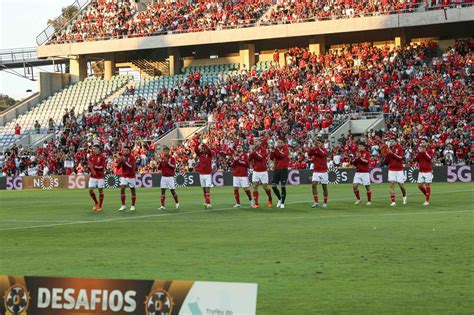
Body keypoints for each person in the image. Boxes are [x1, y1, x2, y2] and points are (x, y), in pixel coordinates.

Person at [249, 138, 272, 208]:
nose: (255, 143)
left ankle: (270, 198)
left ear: (260, 142)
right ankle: (256, 204)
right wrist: (250, 152)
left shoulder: (263, 150)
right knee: (255, 186)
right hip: (255, 171)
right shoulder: (254, 151)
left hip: (263, 171)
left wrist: (253, 152)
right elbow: (249, 160)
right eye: (254, 142)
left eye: (256, 141)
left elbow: (261, 158)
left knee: (265, 187)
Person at [307, 138, 329, 208]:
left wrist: (317, 147)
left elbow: (322, 154)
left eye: (319, 143)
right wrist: (313, 147)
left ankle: (325, 202)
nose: (318, 144)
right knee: (313, 185)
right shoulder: (315, 149)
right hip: (316, 171)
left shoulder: (325, 150)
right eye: (317, 143)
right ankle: (316, 202)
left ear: (322, 144)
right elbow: (309, 154)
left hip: (324, 171)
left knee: (324, 187)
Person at [385, 138, 407, 206]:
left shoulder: (399, 148)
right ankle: (393, 201)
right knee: (391, 185)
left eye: (392, 141)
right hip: (391, 169)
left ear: (396, 142)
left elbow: (401, 158)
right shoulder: (389, 150)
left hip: (399, 169)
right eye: (390, 141)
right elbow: (386, 161)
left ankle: (404, 195)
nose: (391, 142)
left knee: (401, 185)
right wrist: (387, 156)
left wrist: (392, 154)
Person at [270, 138, 289, 208]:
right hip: (277, 169)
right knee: (273, 186)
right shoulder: (276, 150)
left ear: (283, 143)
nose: (279, 144)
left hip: (284, 169)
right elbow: (271, 158)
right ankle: (279, 199)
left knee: (283, 186)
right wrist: (272, 151)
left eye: (280, 142)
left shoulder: (286, 149)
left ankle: (282, 203)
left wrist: (276, 150)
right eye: (278, 142)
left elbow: (283, 155)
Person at [195, 138, 213, 209]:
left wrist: (204, 144)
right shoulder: (200, 155)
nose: (202, 149)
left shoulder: (209, 155)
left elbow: (208, 150)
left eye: (203, 148)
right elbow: (196, 150)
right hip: (201, 174)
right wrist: (198, 143)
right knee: (204, 189)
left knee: (207, 189)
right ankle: (207, 202)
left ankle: (207, 203)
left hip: (207, 174)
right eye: (201, 148)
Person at [117, 146, 137, 211]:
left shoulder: (132, 158)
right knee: (122, 188)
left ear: (129, 151)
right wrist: (120, 162)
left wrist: (124, 162)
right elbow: (117, 167)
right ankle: (123, 205)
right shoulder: (122, 157)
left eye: (126, 150)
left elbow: (131, 166)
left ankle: (133, 205)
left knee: (132, 190)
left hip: (131, 176)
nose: (125, 152)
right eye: (124, 150)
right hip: (124, 176)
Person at [352, 142, 372, 206]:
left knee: (367, 187)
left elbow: (367, 162)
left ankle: (369, 201)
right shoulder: (357, 153)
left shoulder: (367, 153)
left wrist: (360, 158)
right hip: (358, 172)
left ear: (364, 147)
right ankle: (358, 199)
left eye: (361, 146)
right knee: (354, 186)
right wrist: (356, 159)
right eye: (358, 146)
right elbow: (353, 162)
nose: (359, 147)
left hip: (365, 172)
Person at [87, 144, 106, 212]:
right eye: (93, 148)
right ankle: (96, 202)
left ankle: (100, 205)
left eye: (95, 148)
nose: (93, 149)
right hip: (93, 176)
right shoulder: (90, 157)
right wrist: (90, 168)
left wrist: (94, 167)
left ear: (98, 149)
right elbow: (89, 165)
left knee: (100, 190)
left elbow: (102, 166)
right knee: (90, 190)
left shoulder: (102, 157)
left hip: (100, 176)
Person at [415, 142, 433, 206]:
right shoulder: (419, 152)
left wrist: (424, 152)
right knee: (419, 185)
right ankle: (427, 195)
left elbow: (429, 159)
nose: (422, 144)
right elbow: (416, 159)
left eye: (424, 142)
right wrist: (420, 153)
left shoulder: (429, 151)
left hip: (428, 170)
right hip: (421, 171)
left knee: (427, 185)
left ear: (426, 144)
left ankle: (427, 200)